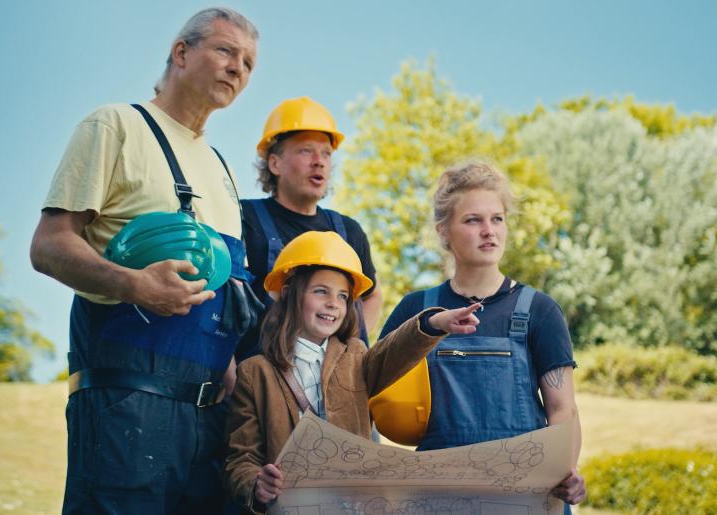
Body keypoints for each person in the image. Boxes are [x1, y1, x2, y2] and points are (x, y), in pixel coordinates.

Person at [28, 7, 258, 514]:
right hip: (125, 407)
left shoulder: (220, 168)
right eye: (225, 50)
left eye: (247, 62)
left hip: (207, 421)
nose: (237, 68)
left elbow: (225, 290)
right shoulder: (116, 125)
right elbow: (48, 244)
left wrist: (230, 358)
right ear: (181, 53)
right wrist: (134, 285)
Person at [378, 162, 588, 509]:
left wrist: (565, 471)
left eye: (497, 219)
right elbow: (369, 386)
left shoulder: (539, 310)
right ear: (443, 231)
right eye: (473, 220)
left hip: (522, 495)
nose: (489, 231)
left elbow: (562, 409)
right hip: (438, 496)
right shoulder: (416, 310)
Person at [224, 231, 481, 514]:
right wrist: (256, 484)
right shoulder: (254, 373)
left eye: (343, 296)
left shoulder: (356, 357)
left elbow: (395, 350)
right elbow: (241, 459)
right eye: (321, 291)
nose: (334, 303)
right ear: (289, 294)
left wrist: (435, 323)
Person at [238, 97, 383, 357]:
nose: (319, 161)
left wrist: (350, 343)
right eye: (306, 151)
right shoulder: (244, 218)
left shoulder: (349, 232)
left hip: (333, 386)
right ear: (275, 164)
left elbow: (372, 295)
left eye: (326, 153)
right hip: (262, 378)